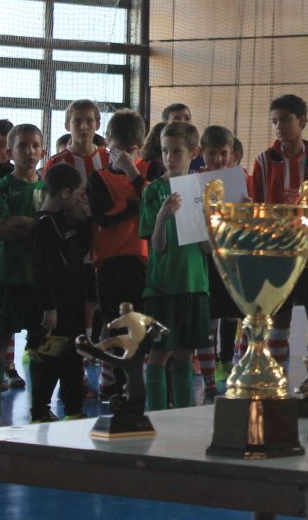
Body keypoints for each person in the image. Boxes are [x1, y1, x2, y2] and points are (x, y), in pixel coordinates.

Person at [140, 121, 210, 409]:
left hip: (194, 284)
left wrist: (211, 221)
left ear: (194, 152)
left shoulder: (200, 190)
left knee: (185, 353)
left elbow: (207, 248)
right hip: (163, 286)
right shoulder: (153, 190)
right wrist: (161, 219)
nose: (169, 158)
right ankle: (156, 414)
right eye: (165, 151)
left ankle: (183, 413)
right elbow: (156, 246)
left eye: (177, 151)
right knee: (158, 353)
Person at [0, 123, 46, 427]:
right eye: (22, 146)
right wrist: (31, 225)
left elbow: (51, 231)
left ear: (42, 151)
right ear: (9, 151)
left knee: (40, 347)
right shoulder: (2, 187)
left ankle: (40, 408)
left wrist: (17, 222)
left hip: (38, 281)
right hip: (5, 278)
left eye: (35, 146)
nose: (29, 151)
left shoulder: (47, 188)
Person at [252, 94, 308, 375]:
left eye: (286, 120)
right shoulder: (263, 161)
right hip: (278, 255)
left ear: (302, 121)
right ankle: (277, 376)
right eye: (275, 121)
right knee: (279, 319)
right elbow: (256, 207)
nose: (279, 126)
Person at [86, 109, 149, 400]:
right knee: (114, 325)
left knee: (139, 326)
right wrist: (132, 207)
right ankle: (113, 383)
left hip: (140, 259)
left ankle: (133, 382)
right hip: (110, 260)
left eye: (130, 150)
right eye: (118, 150)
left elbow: (152, 202)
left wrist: (133, 173)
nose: (123, 156)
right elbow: (103, 217)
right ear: (108, 144)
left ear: (140, 147)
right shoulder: (98, 178)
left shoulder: (147, 173)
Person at [29, 163, 93, 422]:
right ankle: (40, 410)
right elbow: (42, 268)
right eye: (78, 193)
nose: (80, 198)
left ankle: (73, 409)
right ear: (65, 193)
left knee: (73, 357)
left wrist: (85, 221)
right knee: (48, 358)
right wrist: (49, 307)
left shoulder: (67, 219)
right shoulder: (43, 224)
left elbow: (79, 251)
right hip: (54, 307)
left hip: (72, 303)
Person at [195, 124, 246, 397]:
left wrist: (246, 210)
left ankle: (232, 365)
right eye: (212, 153)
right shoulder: (194, 181)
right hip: (204, 258)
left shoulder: (239, 179)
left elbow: (246, 225)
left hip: (230, 257)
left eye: (223, 153)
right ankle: (209, 380)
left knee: (234, 315)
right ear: (202, 152)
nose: (218, 159)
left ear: (231, 153)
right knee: (207, 321)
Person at [46, 99, 110, 180]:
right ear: (67, 126)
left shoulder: (109, 159)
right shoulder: (55, 163)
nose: (84, 127)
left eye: (89, 121)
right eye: (77, 122)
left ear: (97, 125)